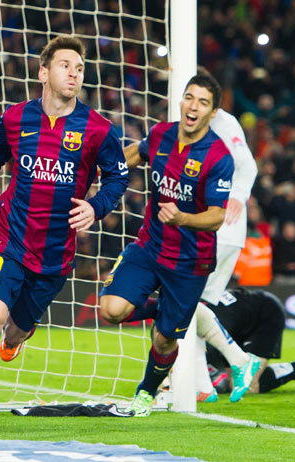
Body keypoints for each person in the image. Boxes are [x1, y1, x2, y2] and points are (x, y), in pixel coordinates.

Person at [0, 36, 129, 441]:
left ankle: (18, 336)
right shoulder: (15, 118)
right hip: (6, 236)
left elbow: (118, 177)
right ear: (44, 73)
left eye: (79, 67)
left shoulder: (97, 129)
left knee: (14, 331)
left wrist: (97, 207)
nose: (74, 73)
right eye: (65, 65)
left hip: (55, 252)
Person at [98, 73, 234, 416]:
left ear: (212, 112)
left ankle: (146, 389)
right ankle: (173, 311)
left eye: (203, 102)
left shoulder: (218, 157)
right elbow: (137, 153)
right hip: (150, 245)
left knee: (164, 339)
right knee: (111, 309)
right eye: (190, 97)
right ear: (181, 100)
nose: (193, 106)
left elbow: (217, 216)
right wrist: (101, 168)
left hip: (190, 260)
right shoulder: (161, 134)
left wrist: (183, 219)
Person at [192, 99, 262, 403]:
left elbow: (248, 164)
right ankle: (201, 386)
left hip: (220, 229)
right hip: (220, 230)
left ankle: (240, 360)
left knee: (179, 304)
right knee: (192, 312)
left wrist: (238, 196)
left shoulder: (224, 123)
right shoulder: (204, 127)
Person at [200, 288, 295, 399]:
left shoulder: (201, 326)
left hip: (264, 315)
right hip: (236, 324)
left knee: (248, 386)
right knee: (230, 383)